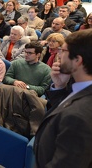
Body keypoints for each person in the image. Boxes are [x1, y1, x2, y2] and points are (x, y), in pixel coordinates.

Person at [34, 30, 92, 167]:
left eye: (63, 50)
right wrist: (60, 86)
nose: (59, 55)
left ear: (77, 60)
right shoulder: (78, 88)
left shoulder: (79, 116)